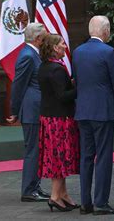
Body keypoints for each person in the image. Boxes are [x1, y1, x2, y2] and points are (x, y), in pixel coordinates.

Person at [72, 16, 114, 215]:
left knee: (86, 157)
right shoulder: (109, 52)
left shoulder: (77, 52)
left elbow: (77, 79)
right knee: (103, 157)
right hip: (102, 111)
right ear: (106, 31)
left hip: (83, 110)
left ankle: (86, 202)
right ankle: (101, 202)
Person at [6, 23, 51, 202]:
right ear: (37, 38)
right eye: (44, 36)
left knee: (38, 150)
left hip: (36, 108)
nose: (46, 39)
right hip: (32, 110)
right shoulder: (27, 56)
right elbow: (18, 85)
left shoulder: (33, 54)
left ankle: (35, 186)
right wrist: (14, 111)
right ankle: (28, 190)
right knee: (33, 150)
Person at [37, 34, 79, 212]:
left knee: (57, 157)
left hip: (49, 118)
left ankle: (63, 194)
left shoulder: (44, 67)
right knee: (59, 158)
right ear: (55, 48)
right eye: (62, 44)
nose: (64, 46)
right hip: (59, 120)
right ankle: (55, 196)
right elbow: (63, 96)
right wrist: (78, 88)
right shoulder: (57, 70)